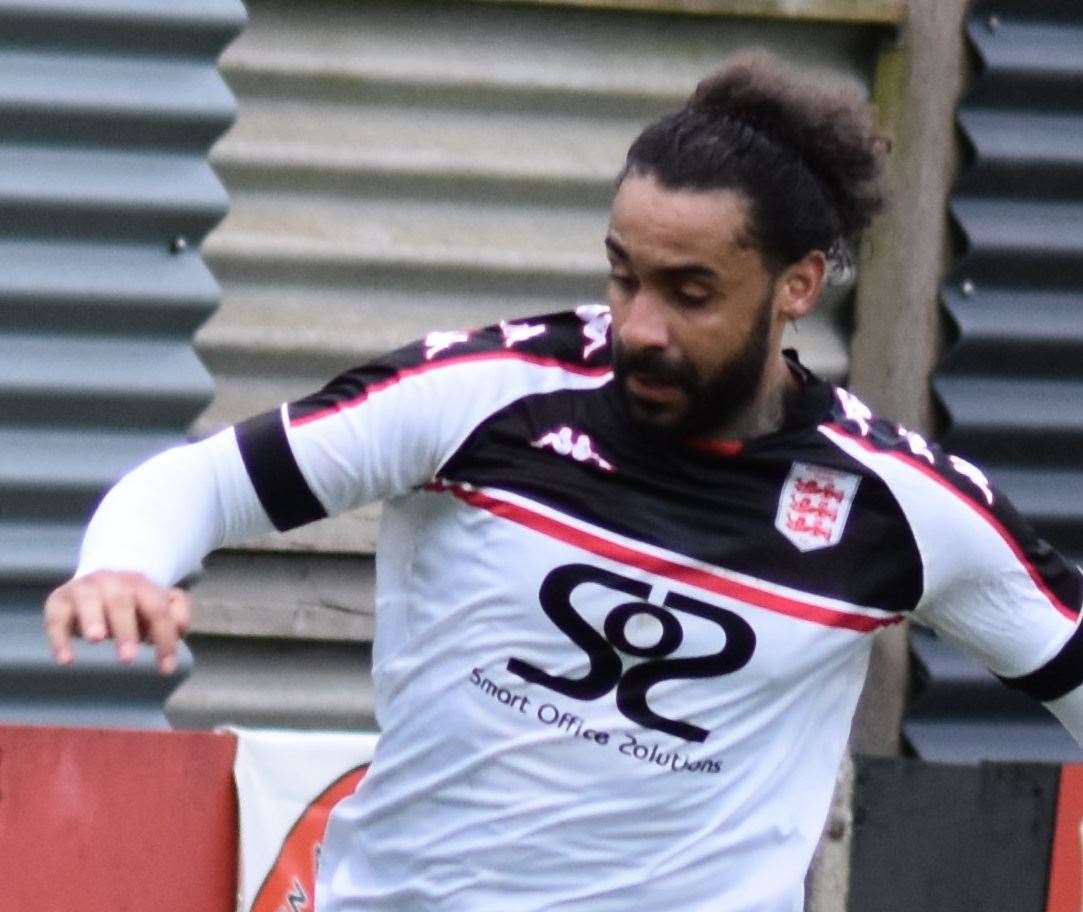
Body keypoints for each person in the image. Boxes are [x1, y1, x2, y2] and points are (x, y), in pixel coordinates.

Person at [43, 51, 1083, 912]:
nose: (639, 326)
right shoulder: (488, 393)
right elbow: (197, 486)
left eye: (690, 293)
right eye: (622, 272)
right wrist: (124, 566)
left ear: (798, 285)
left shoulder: (898, 504)